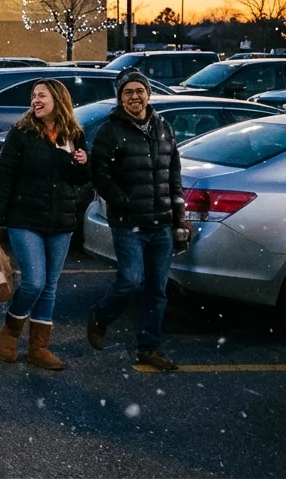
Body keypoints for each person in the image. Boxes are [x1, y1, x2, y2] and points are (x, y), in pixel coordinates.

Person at [87, 70, 189, 372]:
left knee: (157, 290)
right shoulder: (110, 131)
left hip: (161, 224)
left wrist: (179, 217)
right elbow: (100, 176)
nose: (135, 96)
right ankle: (100, 316)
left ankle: (149, 348)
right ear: (121, 98)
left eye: (139, 91)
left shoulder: (163, 127)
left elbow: (173, 175)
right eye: (128, 92)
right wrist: (124, 201)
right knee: (130, 280)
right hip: (128, 223)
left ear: (148, 94)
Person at [0, 79, 90, 370]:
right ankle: (10, 332)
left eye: (42, 95)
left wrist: (83, 163)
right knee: (34, 282)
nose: (36, 100)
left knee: (50, 286)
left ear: (58, 99)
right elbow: (5, 176)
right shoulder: (22, 133)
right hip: (25, 218)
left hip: (61, 220)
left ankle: (38, 348)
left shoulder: (73, 134)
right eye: (33, 96)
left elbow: (80, 180)